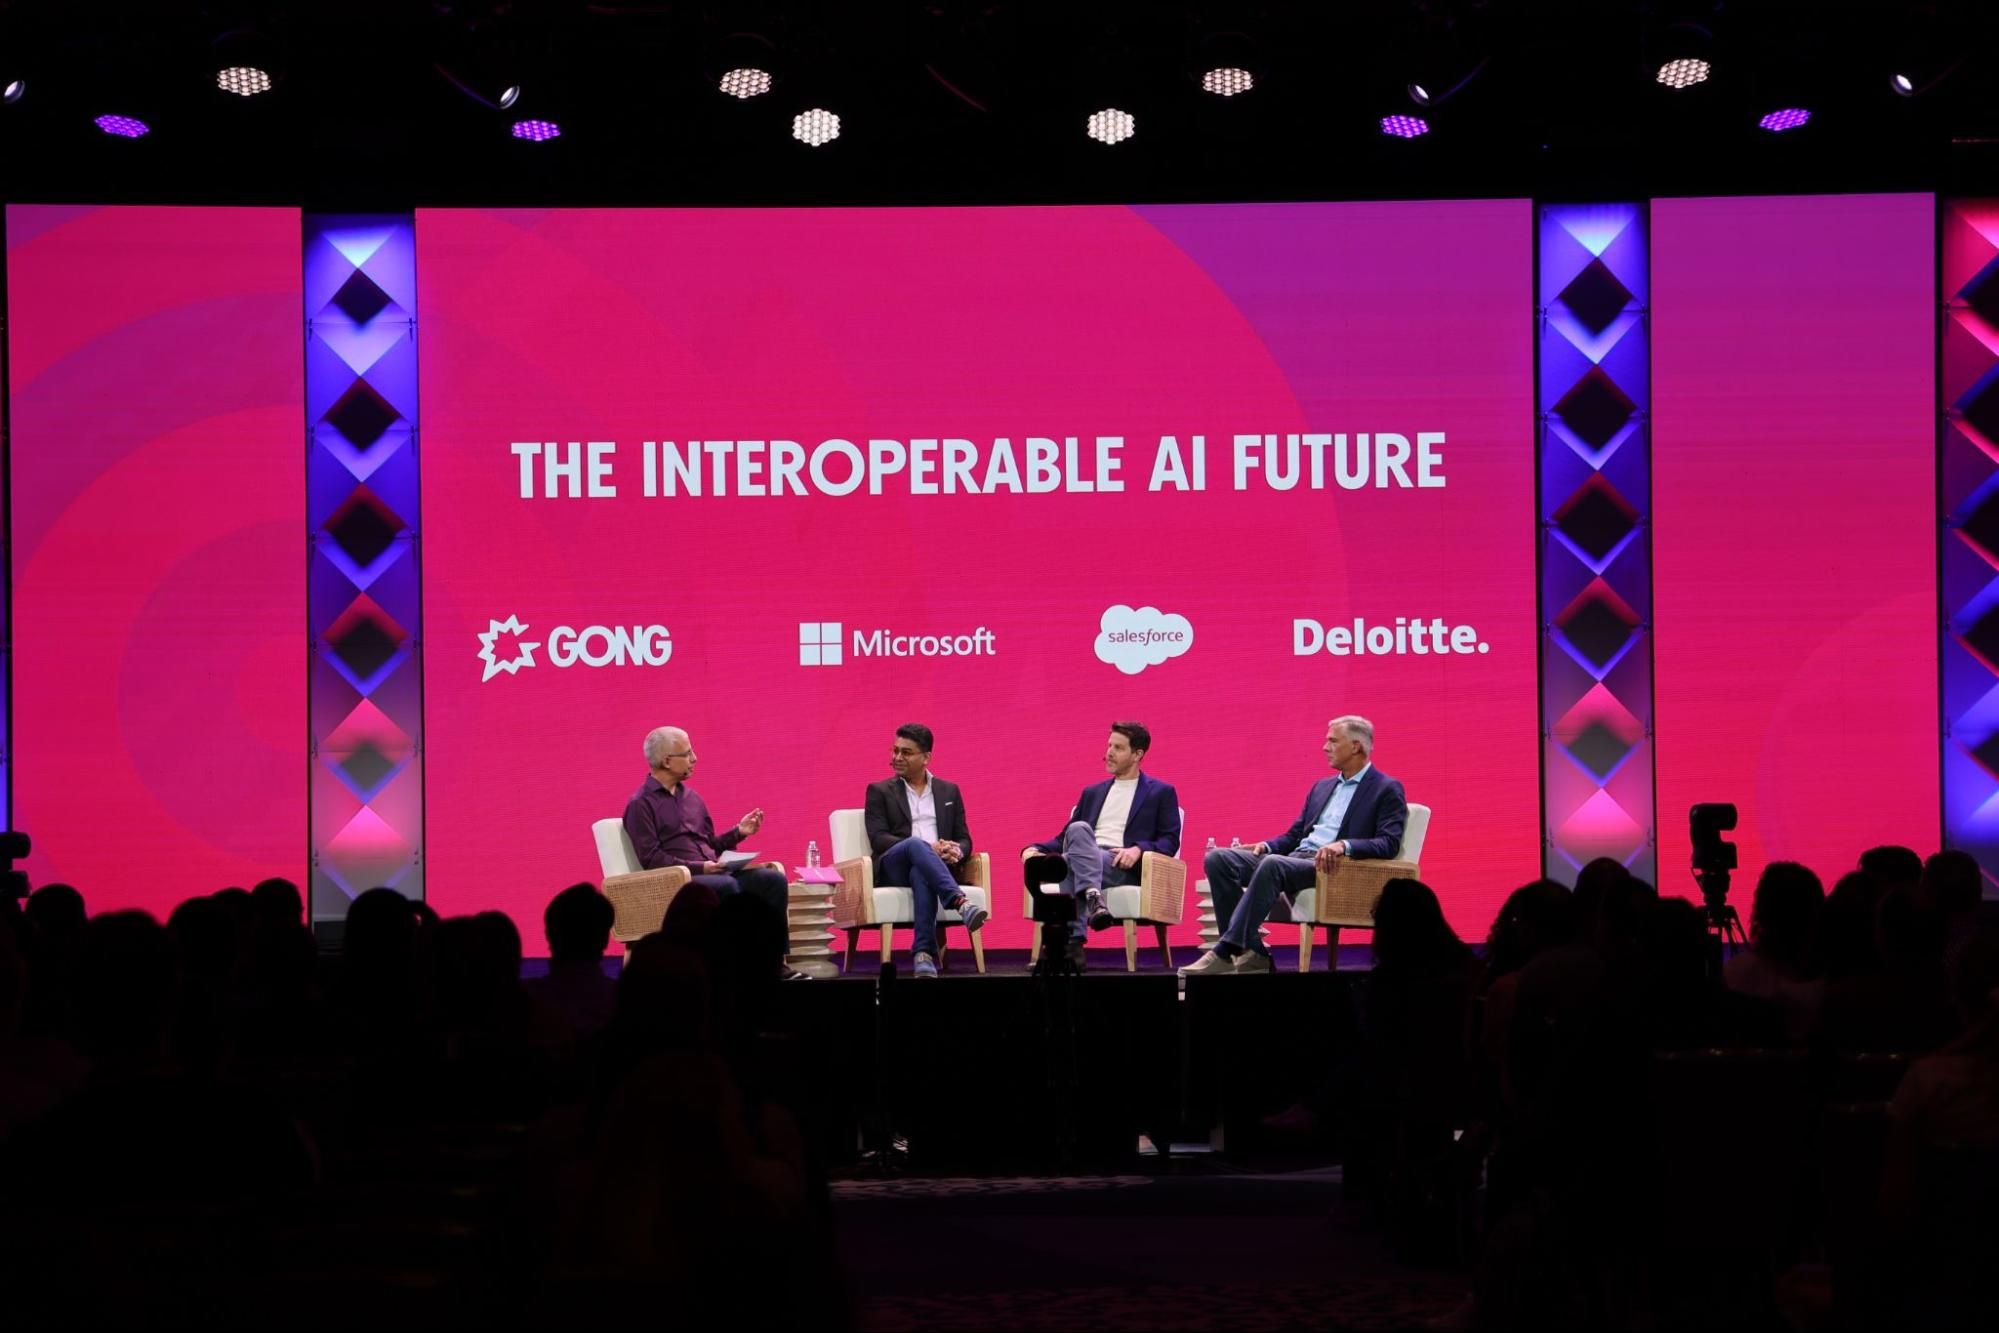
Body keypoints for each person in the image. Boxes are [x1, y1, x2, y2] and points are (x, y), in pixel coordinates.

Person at [1180, 714, 1407, 976]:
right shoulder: (1322, 787)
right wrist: (1265, 845)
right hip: (1297, 858)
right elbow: (1295, 835)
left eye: (1333, 741)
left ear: (1356, 746)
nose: (1325, 747)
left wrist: (1344, 845)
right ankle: (1255, 953)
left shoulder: (1386, 788)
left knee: (1273, 864)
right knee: (1219, 858)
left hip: (1332, 867)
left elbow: (1388, 843)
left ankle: (1226, 950)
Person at [622, 726, 801, 979]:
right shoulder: (641, 804)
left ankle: (772, 963)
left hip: (712, 872)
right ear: (666, 761)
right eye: (687, 753)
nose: (695, 758)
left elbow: (709, 846)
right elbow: (652, 858)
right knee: (725, 885)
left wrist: (739, 832)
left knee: (771, 880)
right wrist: (700, 868)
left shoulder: (692, 798)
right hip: (675, 882)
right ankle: (734, 968)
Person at [1027, 721, 1180, 970]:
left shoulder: (1161, 792)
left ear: (1137, 755)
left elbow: (1170, 840)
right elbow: (1064, 836)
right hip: (1086, 857)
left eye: (1118, 748)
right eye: (1109, 745)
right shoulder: (1092, 792)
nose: (1108, 752)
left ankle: (1071, 946)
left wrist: (1138, 849)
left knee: (1069, 859)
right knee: (1076, 835)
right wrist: (1035, 848)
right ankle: (1092, 901)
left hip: (1120, 864)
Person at [863, 723, 988, 980]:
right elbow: (878, 839)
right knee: (915, 844)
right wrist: (926, 846)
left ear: (926, 758)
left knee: (922, 871)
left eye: (906, 752)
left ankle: (922, 954)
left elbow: (964, 837)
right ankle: (960, 902)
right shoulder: (879, 791)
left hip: (932, 866)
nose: (897, 757)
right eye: (895, 750)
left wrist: (956, 850)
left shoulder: (948, 791)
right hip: (893, 865)